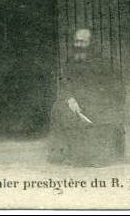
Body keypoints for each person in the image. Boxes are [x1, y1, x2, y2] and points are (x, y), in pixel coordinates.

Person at [48, 28, 126, 166]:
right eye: (77, 41)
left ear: (91, 43)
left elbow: (114, 89)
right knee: (58, 109)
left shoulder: (104, 64)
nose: (79, 45)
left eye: (83, 42)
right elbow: (65, 83)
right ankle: (66, 154)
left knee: (99, 119)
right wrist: (70, 98)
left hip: (99, 105)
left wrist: (97, 102)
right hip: (77, 104)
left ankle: (91, 157)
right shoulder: (70, 62)